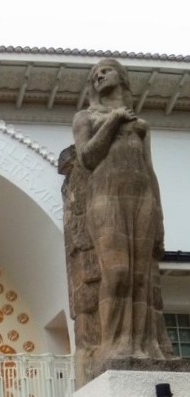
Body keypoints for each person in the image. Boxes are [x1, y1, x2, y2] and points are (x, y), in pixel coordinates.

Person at [72, 58, 171, 360]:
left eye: (106, 69)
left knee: (143, 276)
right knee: (117, 273)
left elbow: (150, 169)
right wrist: (113, 120)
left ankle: (145, 346)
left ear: (122, 77)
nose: (100, 74)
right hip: (105, 196)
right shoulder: (85, 117)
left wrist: (160, 216)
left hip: (142, 197)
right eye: (95, 74)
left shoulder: (141, 124)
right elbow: (87, 158)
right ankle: (113, 346)